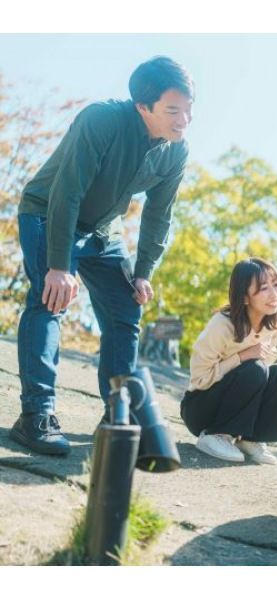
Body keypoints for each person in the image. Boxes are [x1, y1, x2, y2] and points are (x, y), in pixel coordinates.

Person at [11, 56, 194, 455]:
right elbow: (67, 192)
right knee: (50, 302)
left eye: (189, 108)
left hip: (103, 231)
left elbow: (159, 214)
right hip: (48, 213)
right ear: (143, 106)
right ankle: (35, 416)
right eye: (173, 111)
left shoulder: (175, 152)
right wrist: (58, 266)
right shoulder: (102, 120)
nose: (185, 120)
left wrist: (143, 272)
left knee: (126, 311)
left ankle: (117, 418)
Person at [181, 258, 277, 465]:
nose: (274, 294)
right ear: (245, 297)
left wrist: (251, 360)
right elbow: (199, 379)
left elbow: (263, 379)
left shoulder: (274, 326)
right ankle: (216, 435)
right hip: (200, 409)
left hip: (238, 401)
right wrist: (241, 357)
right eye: (263, 288)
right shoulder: (222, 325)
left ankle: (251, 439)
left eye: (276, 285)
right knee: (256, 368)